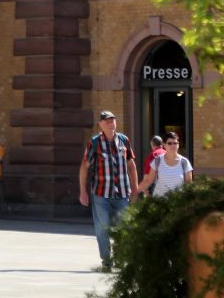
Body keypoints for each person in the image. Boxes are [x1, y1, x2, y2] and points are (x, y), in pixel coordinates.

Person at [78, 110, 139, 272]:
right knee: (102, 228)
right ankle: (107, 261)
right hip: (100, 194)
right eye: (107, 121)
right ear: (100, 124)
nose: (111, 123)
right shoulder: (95, 143)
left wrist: (135, 187)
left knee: (123, 228)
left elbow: (131, 165)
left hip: (122, 193)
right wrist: (83, 191)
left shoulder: (124, 140)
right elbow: (84, 167)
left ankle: (120, 259)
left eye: (113, 120)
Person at [135, 131, 194, 197]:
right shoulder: (157, 161)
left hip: (178, 203)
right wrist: (135, 192)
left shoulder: (184, 162)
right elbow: (148, 180)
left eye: (175, 143)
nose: (173, 145)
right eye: (169, 143)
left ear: (178, 145)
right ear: (164, 145)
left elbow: (188, 184)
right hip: (160, 202)